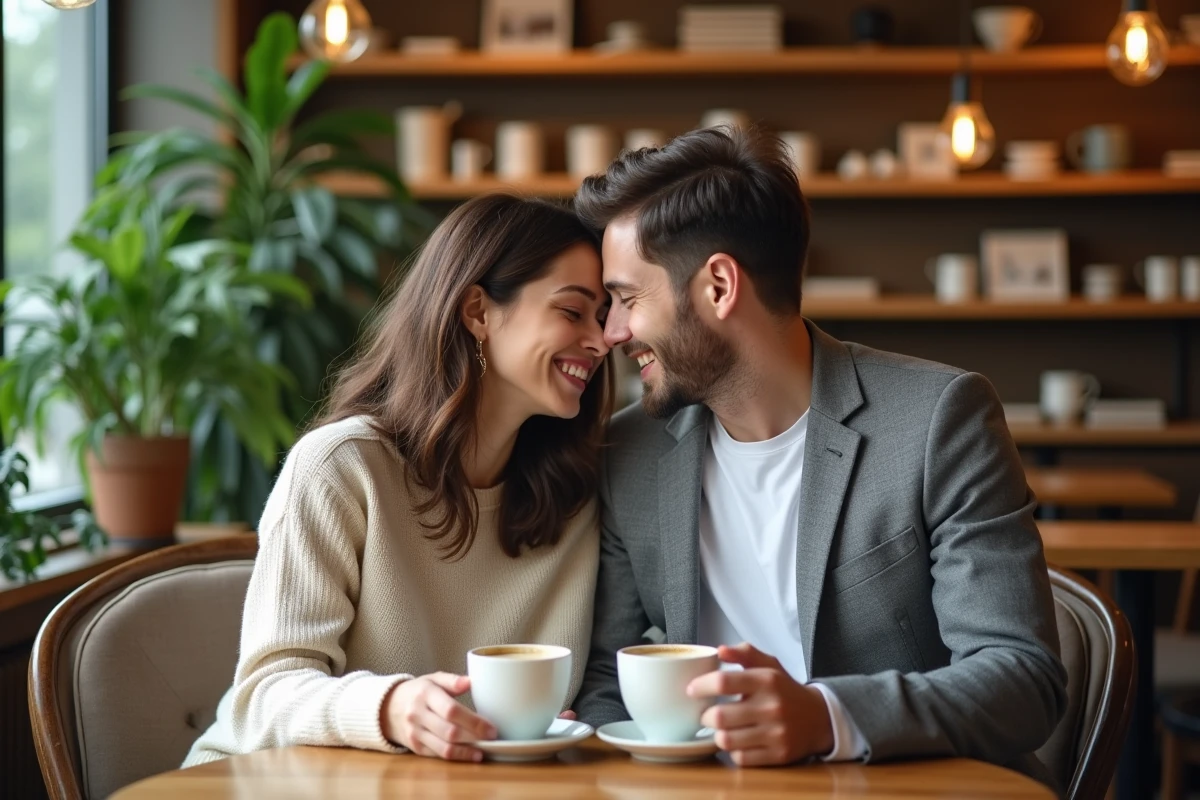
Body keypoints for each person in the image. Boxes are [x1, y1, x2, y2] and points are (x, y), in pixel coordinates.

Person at [572, 126, 1067, 787]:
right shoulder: (629, 450)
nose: (611, 333)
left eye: (628, 299)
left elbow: (1021, 678)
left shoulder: (938, 420)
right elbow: (608, 675)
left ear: (719, 285)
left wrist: (826, 716)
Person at [184, 194, 613, 766]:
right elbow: (262, 699)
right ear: (478, 312)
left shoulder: (576, 494)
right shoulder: (341, 466)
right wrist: (390, 707)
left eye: (605, 316)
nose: (602, 340)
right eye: (572, 311)